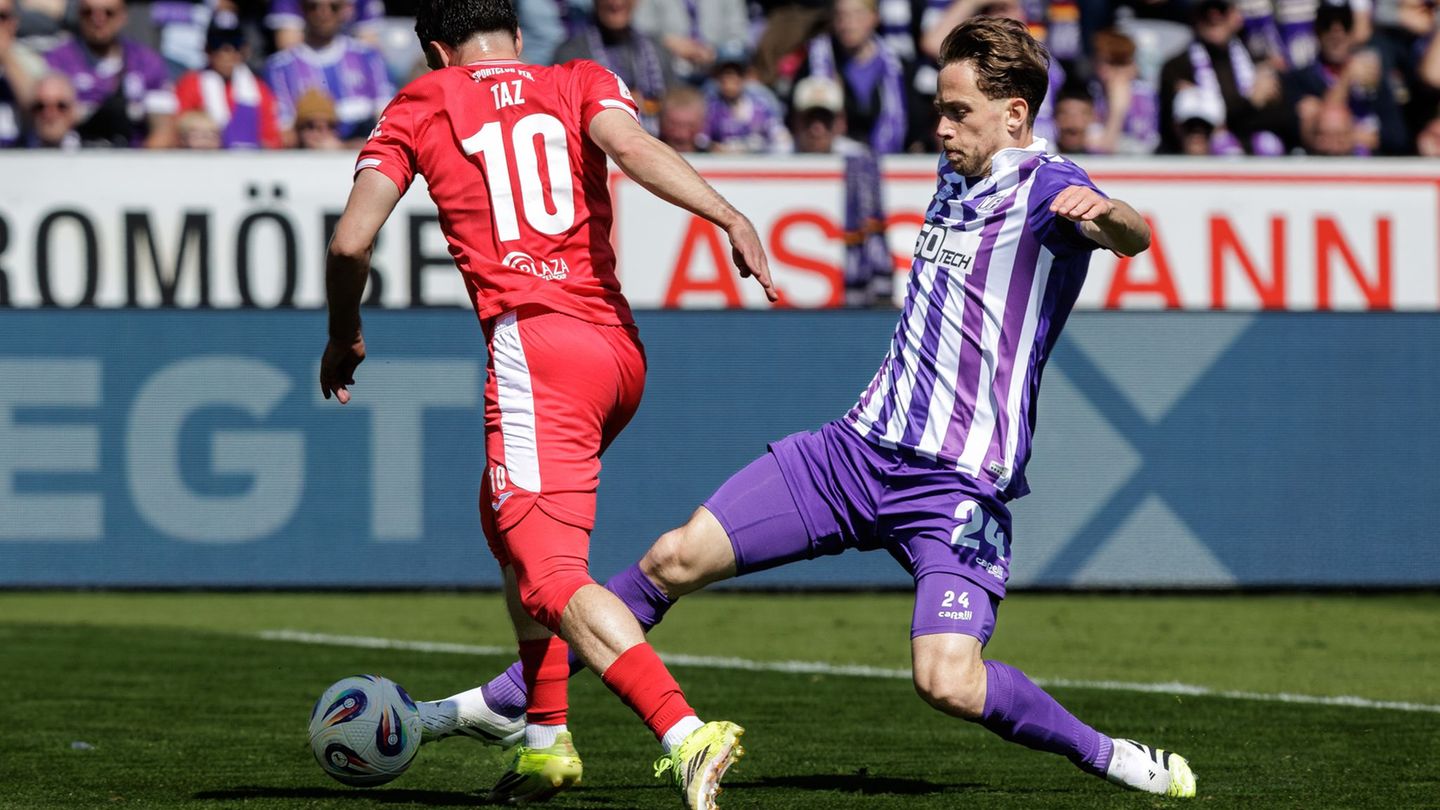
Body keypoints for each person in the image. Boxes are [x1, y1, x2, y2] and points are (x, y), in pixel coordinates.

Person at [416, 16, 1199, 802]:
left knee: (948, 681)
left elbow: (1127, 233)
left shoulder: (1047, 191)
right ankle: (506, 703)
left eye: (958, 111)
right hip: (852, 455)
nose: (941, 124)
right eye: (940, 106)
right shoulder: (957, 169)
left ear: (1015, 115)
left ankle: (1108, 754)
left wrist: (1111, 219)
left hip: (954, 485)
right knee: (672, 559)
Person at [319, 0, 779, 806]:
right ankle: (544, 740)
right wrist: (729, 214)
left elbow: (350, 241)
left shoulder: (423, 100)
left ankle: (685, 733)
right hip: (616, 351)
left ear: (436, 50)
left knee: (548, 576)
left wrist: (344, 333)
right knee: (504, 524)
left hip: (536, 345)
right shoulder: (578, 78)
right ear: (517, 37)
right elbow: (633, 148)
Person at [44, 0, 177, 147]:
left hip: (132, 159)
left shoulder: (147, 62)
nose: (98, 20)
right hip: (72, 158)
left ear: (123, 16)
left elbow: (163, 129)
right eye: (89, 13)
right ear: (78, 14)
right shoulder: (57, 61)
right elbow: (47, 126)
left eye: (108, 13)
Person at [264, 0, 393, 145]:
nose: (323, 13)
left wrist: (344, 147)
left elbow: (388, 122)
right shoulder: (280, 67)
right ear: (301, 9)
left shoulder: (370, 57)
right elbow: (285, 134)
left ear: (345, 10)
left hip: (364, 153)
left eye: (333, 7)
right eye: (313, 7)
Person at [794, 0, 908, 154]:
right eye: (841, 16)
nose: (848, 24)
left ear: (875, 17)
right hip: (830, 159)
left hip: (888, 159)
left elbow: (913, 123)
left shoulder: (897, 67)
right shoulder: (816, 61)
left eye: (857, 14)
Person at [553, 0, 674, 134]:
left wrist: (648, 104)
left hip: (655, 140)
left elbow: (677, 102)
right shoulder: (572, 53)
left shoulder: (656, 50)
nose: (616, 3)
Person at [174, 21, 283, 149]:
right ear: (207, 50)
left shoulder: (259, 89)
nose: (227, 55)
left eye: (235, 47)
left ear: (244, 51)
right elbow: (178, 131)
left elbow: (271, 137)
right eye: (218, 47)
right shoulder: (190, 84)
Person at [703, 42, 791, 154]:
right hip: (723, 166)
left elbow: (782, 140)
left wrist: (760, 148)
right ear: (717, 75)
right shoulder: (710, 108)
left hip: (756, 166)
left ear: (745, 75)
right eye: (725, 73)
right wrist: (714, 148)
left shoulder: (761, 107)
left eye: (737, 72)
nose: (731, 78)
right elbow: (701, 140)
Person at [22, 71, 80, 148]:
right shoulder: (11, 153)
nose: (49, 114)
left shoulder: (95, 151)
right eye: (40, 106)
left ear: (73, 110)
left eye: (60, 106)